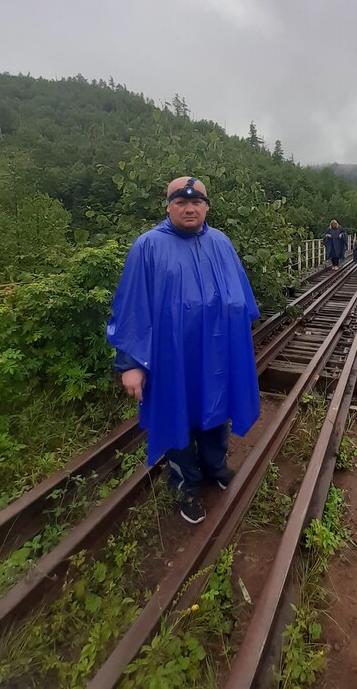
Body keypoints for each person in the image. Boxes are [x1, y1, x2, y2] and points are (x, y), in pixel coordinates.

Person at [106, 175, 260, 524]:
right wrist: (131, 363)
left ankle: (214, 467)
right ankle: (184, 483)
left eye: (197, 202)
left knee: (215, 409)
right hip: (170, 357)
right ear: (168, 206)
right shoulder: (147, 247)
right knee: (176, 415)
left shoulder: (221, 243)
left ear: (206, 206)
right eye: (181, 202)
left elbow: (241, 300)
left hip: (215, 353)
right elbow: (132, 307)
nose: (190, 208)